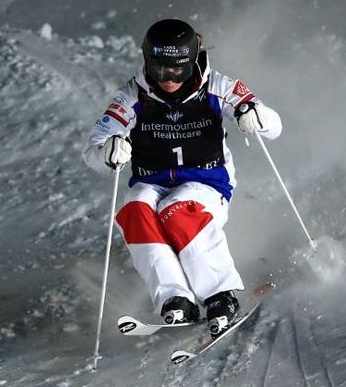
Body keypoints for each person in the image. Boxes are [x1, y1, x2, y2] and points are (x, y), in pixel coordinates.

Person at [83, 18, 282, 337]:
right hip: (152, 181)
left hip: (206, 181)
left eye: (177, 70)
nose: (168, 78)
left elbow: (273, 126)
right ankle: (175, 298)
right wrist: (109, 149)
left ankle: (220, 295)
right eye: (160, 69)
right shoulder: (132, 96)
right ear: (148, 62)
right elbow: (93, 150)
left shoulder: (217, 86)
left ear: (191, 63)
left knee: (176, 209)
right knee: (135, 210)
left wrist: (255, 116)